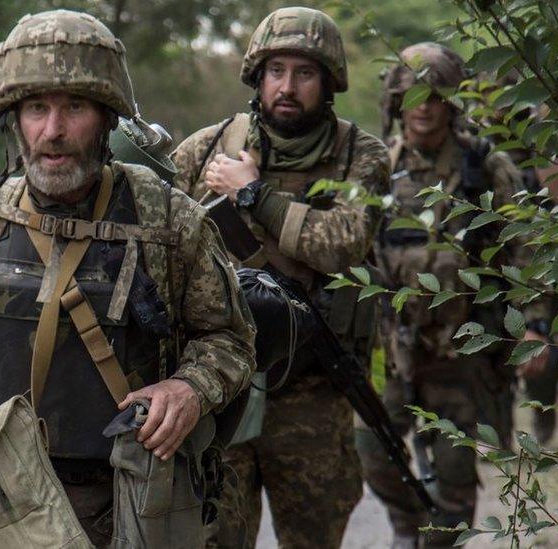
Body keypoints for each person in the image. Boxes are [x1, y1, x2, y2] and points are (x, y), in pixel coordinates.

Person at [0, 9, 256, 548]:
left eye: (74, 107)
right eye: (37, 108)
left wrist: (189, 387)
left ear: (107, 117)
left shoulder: (168, 220)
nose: (54, 131)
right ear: (14, 119)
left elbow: (230, 339)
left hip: (129, 500)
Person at [171, 7, 390, 548]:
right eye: (276, 71)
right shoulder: (208, 148)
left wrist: (253, 194)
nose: (287, 86)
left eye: (305, 73)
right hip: (224, 387)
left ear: (329, 81)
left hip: (314, 393)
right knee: (215, 537)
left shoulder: (361, 157)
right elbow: (159, 238)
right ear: (257, 75)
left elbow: (342, 245)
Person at [357, 42, 526, 548]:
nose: (423, 107)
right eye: (412, 95)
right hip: (390, 347)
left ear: (452, 100)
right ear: (395, 102)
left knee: (454, 475)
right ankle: (409, 527)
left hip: (461, 349)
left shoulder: (485, 168)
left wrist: (531, 327)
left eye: (434, 95)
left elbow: (523, 252)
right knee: (371, 448)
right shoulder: (378, 166)